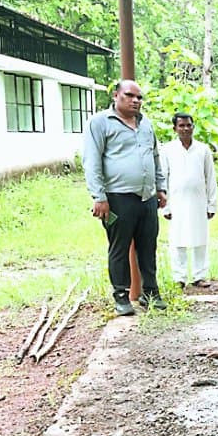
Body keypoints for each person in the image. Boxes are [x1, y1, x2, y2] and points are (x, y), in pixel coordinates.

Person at [83, 79, 167, 315]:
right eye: (130, 96)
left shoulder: (145, 124)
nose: (136, 101)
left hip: (146, 197)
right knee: (119, 248)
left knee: (148, 247)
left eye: (139, 97)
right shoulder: (100, 123)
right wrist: (99, 196)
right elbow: (92, 161)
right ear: (116, 96)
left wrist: (160, 187)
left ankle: (151, 293)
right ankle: (121, 296)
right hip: (117, 198)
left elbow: (155, 156)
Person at [160, 113, 218, 289]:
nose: (185, 129)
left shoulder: (203, 149)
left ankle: (200, 276)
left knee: (200, 238)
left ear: (193, 127)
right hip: (176, 202)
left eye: (188, 125)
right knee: (178, 240)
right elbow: (163, 177)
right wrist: (165, 206)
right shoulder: (168, 150)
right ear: (175, 128)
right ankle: (180, 277)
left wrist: (212, 204)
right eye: (181, 126)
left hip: (199, 202)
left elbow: (210, 177)